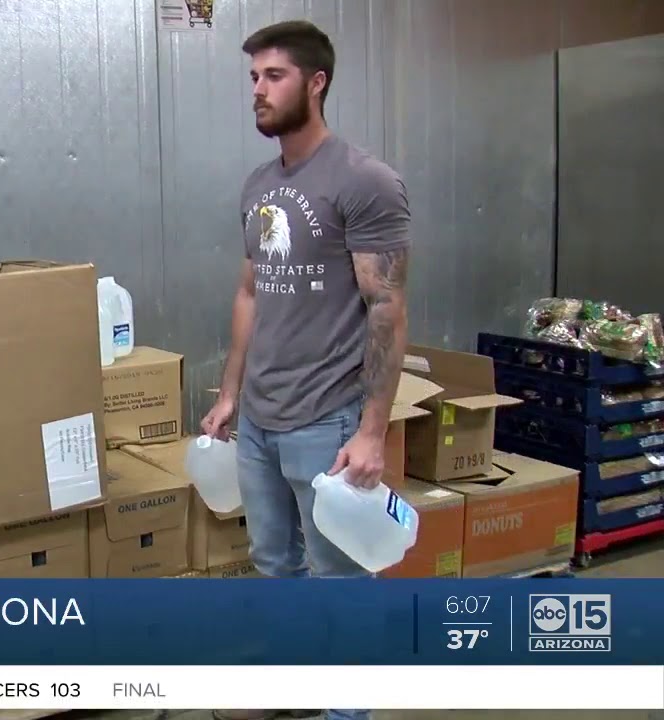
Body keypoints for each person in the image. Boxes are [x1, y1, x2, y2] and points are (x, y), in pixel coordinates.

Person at [200, 20, 411, 720]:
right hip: (260, 419)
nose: (258, 91)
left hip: (327, 419)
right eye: (254, 78)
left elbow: (385, 306)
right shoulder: (261, 184)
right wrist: (231, 393)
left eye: (274, 76)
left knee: (338, 582)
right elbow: (250, 292)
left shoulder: (363, 180)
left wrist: (374, 431)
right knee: (274, 567)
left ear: (316, 82)